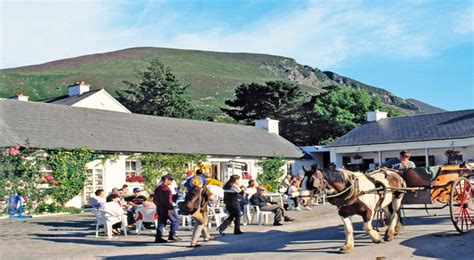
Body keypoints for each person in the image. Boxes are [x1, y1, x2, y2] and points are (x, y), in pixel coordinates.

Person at [188, 177, 215, 247]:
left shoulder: (190, 189)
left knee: (201, 222)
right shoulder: (203, 189)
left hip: (191, 209)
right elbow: (211, 198)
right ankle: (193, 242)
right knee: (200, 223)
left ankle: (207, 236)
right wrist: (213, 195)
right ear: (200, 182)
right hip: (200, 209)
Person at [154, 174, 181, 243]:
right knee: (176, 221)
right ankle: (172, 235)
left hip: (159, 207)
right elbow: (168, 200)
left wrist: (158, 205)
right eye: (171, 180)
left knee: (161, 222)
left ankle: (158, 237)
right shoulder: (166, 189)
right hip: (167, 208)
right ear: (166, 180)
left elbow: (154, 199)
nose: (172, 181)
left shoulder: (158, 188)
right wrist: (170, 209)